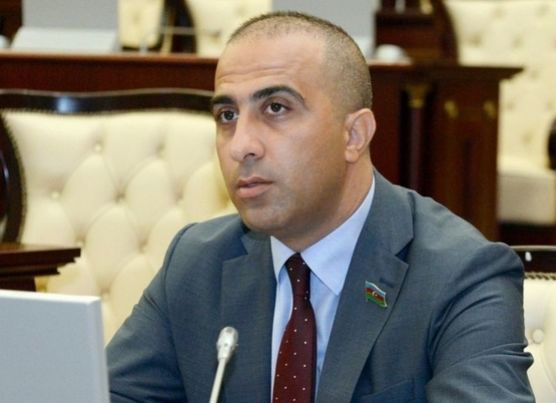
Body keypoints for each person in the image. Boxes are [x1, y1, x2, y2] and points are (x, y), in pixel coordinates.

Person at [107, 11, 534, 403]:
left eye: (276, 108)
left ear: (354, 135)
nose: (241, 146)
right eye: (227, 116)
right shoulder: (197, 263)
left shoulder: (458, 274)